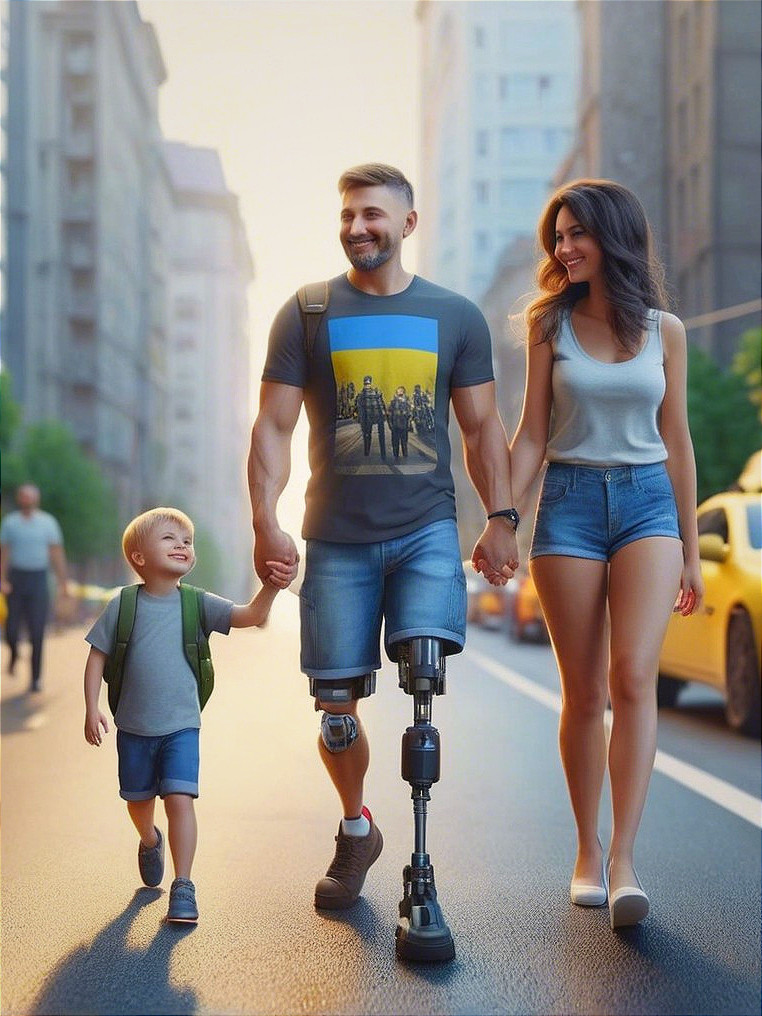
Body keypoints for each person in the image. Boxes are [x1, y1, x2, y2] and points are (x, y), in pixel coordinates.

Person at [247, 163, 518, 961]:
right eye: (348, 215)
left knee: (424, 677)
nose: (358, 226)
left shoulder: (454, 315)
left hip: (426, 529)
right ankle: (358, 827)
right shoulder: (307, 312)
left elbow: (480, 430)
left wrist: (501, 520)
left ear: (408, 224)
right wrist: (264, 521)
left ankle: (423, 876)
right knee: (337, 713)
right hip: (334, 537)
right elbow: (271, 428)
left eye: (374, 214)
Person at [508, 179, 703, 929]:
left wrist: (688, 547)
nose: (563, 248)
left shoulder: (666, 330)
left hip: (650, 502)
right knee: (584, 690)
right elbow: (531, 433)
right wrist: (502, 517)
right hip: (570, 506)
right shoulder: (547, 323)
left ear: (614, 236)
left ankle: (624, 858)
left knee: (634, 677)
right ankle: (585, 851)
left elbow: (678, 440)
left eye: (577, 233)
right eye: (557, 237)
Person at [83, 507, 296, 923]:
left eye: (188, 540)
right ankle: (149, 839)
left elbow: (250, 616)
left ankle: (183, 885)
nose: (182, 545)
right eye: (169, 538)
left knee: (180, 798)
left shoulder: (197, 603)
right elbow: (97, 658)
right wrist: (92, 709)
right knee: (138, 801)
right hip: (133, 728)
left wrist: (271, 586)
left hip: (182, 726)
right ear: (139, 557)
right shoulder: (122, 606)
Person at [0, 484, 72, 691]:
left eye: (31, 497)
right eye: (24, 496)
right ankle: (13, 653)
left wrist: (63, 583)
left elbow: (57, 554)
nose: (27, 500)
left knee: (37, 630)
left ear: (36, 499)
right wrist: (2, 579)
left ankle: (35, 678)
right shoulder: (10, 523)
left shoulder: (48, 523)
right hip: (16, 579)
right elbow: (4, 553)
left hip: (39, 579)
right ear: (19, 499)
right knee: (11, 628)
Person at [355, 374, 387, 458]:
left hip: (367, 417)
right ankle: (383, 454)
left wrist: (359, 418)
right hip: (377, 416)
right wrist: (384, 415)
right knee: (381, 436)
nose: (367, 385)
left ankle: (367, 453)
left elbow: (358, 407)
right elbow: (381, 404)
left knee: (367, 435)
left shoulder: (361, 394)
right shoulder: (376, 392)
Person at [388, 385, 413, 459]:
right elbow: (389, 414)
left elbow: (410, 413)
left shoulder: (407, 402)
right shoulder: (393, 402)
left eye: (401, 391)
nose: (400, 392)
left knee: (403, 441)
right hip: (396, 425)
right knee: (396, 442)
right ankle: (396, 455)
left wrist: (409, 422)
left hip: (402, 425)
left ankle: (404, 455)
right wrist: (390, 424)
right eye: (399, 391)